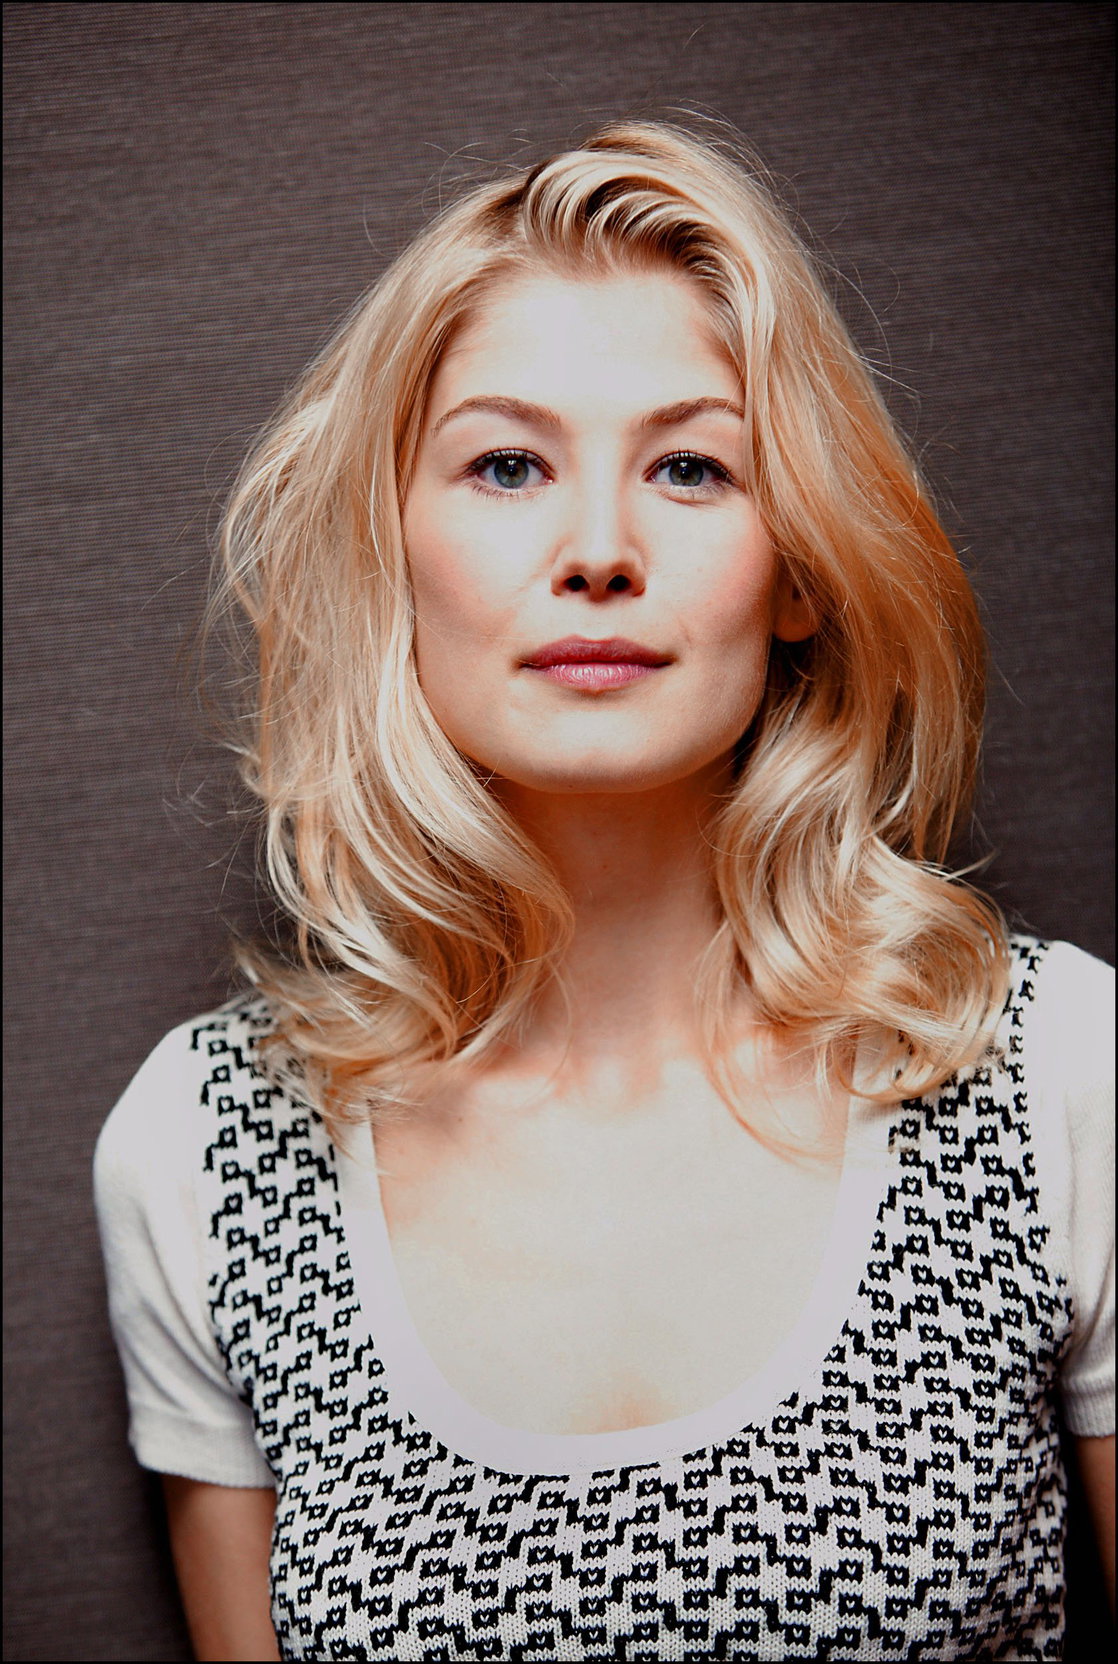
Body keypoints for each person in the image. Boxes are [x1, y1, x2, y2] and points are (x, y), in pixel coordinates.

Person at [94, 120, 1114, 1662]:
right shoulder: (200, 1150)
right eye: (505, 465)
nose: (596, 551)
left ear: (798, 568)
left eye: (690, 466)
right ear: (391, 548)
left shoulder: (1056, 1076)